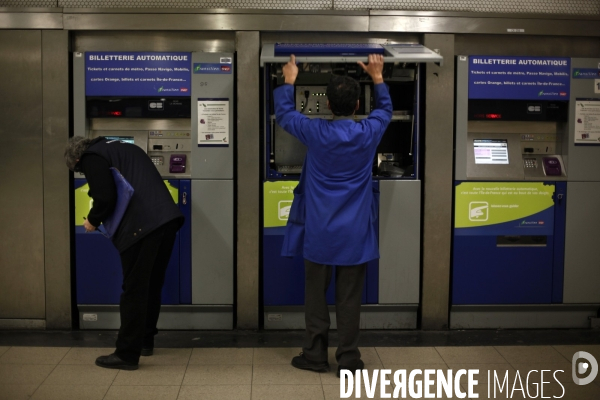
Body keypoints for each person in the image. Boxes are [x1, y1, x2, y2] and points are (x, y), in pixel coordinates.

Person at [274, 54, 392, 377]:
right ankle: (349, 360)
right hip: (355, 233)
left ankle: (314, 355)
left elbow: (284, 114)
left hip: (319, 230)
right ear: (356, 105)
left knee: (315, 295)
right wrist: (378, 78)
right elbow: (386, 111)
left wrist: (289, 79)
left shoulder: (316, 132)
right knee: (350, 298)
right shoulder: (368, 133)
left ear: (327, 104)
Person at [65, 136, 184, 370]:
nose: (84, 172)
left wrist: (92, 220)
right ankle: (145, 341)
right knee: (150, 285)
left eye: (80, 170)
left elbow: (104, 196)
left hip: (142, 226)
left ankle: (127, 354)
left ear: (77, 159)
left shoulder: (91, 157)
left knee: (134, 289)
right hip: (167, 220)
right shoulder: (123, 147)